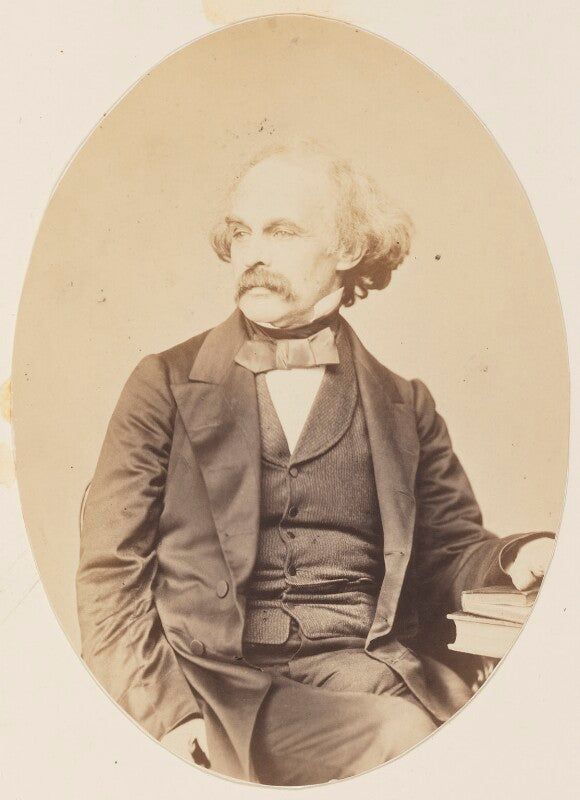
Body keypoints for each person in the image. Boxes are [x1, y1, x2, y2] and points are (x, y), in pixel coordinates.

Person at [76, 141, 554, 785]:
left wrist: (519, 555)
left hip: (360, 667)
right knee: (405, 739)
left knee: (495, 742)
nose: (253, 253)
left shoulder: (404, 406)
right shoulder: (164, 383)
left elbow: (448, 551)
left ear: (349, 249)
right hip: (211, 685)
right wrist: (163, 712)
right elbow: (110, 573)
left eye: (282, 231)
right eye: (241, 232)